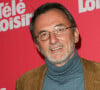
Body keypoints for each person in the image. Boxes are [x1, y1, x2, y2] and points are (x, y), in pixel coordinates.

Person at [15, 3, 100, 90]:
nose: (53, 40)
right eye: (44, 35)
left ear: (75, 34)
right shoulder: (24, 84)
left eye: (59, 30)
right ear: (37, 45)